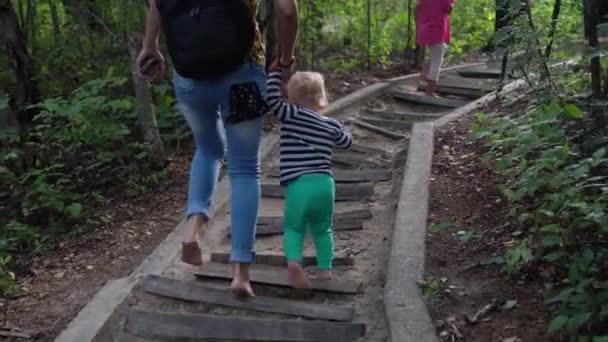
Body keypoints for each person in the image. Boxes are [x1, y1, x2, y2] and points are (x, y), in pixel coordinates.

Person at [137, 0, 299, 298]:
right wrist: (286, 61)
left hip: (189, 76)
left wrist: (150, 44)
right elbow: (287, 10)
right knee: (245, 168)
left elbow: (158, 3)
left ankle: (194, 229)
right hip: (243, 75)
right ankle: (240, 272)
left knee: (209, 149)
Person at [266, 62, 352, 288]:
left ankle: (294, 262)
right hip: (325, 184)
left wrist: (274, 74)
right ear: (322, 99)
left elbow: (272, 101)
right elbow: (346, 142)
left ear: (291, 98)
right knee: (323, 228)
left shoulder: (291, 114)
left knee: (294, 227)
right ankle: (325, 269)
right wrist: (345, 128)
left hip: (299, 184)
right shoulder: (331, 124)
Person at [416, 0, 455, 96]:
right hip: (437, 29)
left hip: (425, 27)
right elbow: (448, 9)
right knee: (437, 61)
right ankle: (429, 92)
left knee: (433, 57)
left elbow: (417, 8)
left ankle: (424, 77)